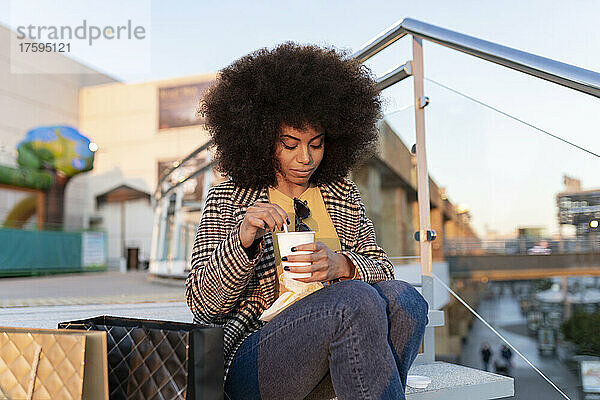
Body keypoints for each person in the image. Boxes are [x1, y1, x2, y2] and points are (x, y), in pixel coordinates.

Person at [186, 42, 429, 400]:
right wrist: (242, 240)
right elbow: (203, 305)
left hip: (340, 345)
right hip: (257, 358)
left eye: (316, 144)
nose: (306, 158)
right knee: (356, 301)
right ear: (263, 140)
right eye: (290, 143)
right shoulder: (229, 198)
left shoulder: (340, 193)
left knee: (407, 299)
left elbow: (382, 268)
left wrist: (341, 264)